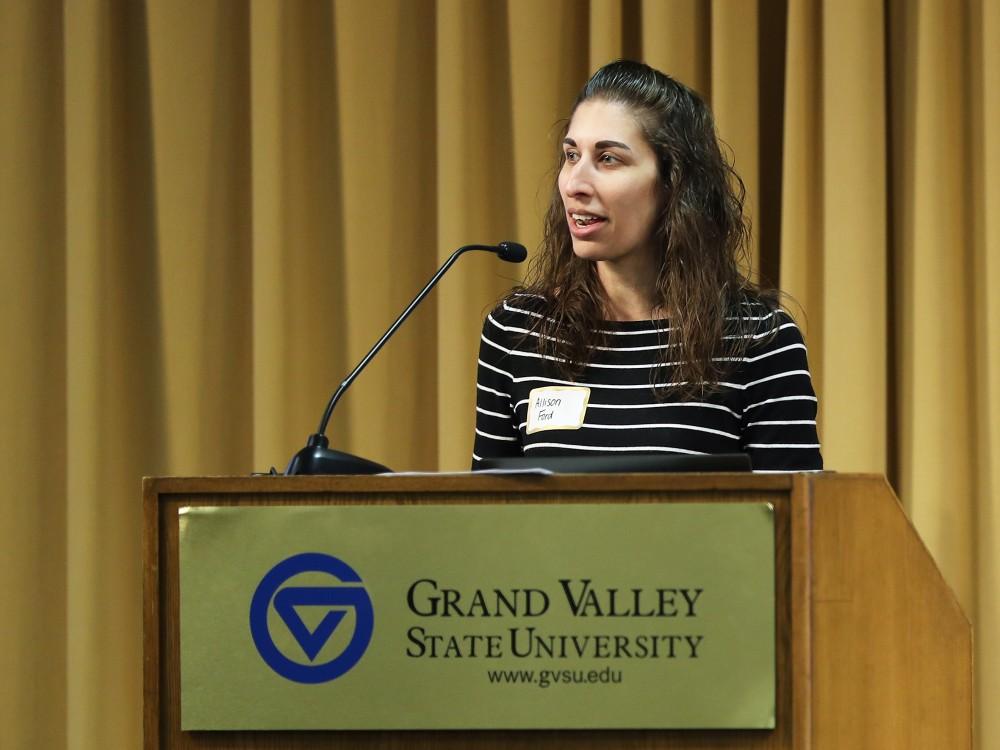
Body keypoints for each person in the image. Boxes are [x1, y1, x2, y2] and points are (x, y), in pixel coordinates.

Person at [472, 60, 822, 473]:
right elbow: (486, 514)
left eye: (608, 159)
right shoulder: (517, 330)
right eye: (571, 155)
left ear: (674, 183)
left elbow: (799, 522)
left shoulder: (758, 339)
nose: (574, 184)